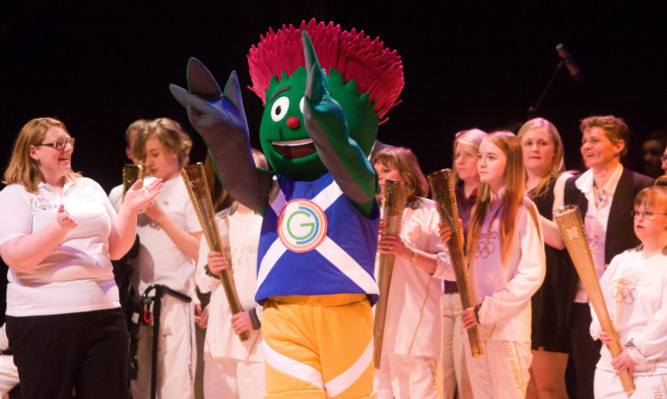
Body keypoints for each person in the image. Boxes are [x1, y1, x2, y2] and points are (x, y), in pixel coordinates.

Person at [0, 117, 162, 399]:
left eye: (69, 142)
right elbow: (15, 256)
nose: (67, 149)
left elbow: (116, 250)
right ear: (33, 151)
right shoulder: (17, 194)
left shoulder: (88, 187)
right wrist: (58, 228)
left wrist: (130, 209)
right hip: (42, 320)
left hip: (104, 314)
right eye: (57, 144)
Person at [440, 131, 546, 399]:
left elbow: (532, 273)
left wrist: (488, 308)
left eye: (490, 157)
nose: (482, 163)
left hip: (506, 328)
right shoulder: (481, 211)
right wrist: (453, 248)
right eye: (480, 156)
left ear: (510, 163)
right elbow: (468, 270)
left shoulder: (522, 208)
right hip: (475, 325)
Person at [562, 115, 654, 399]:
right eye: (584, 141)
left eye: (595, 140)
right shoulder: (574, 186)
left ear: (618, 146)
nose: (586, 146)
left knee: (625, 376)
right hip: (582, 297)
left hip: (624, 298)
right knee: (586, 376)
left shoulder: (640, 185)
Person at [130, 117, 203, 399]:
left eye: (155, 154)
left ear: (175, 150)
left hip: (173, 301)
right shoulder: (139, 187)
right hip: (139, 302)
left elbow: (200, 251)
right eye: (144, 154)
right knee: (139, 385)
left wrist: (161, 217)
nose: (148, 161)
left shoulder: (191, 189)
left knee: (174, 388)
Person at [372, 147, 449, 399]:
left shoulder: (431, 211)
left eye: (386, 170)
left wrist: (408, 252)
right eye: (376, 171)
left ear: (406, 174)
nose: (379, 177)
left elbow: (454, 269)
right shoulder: (371, 214)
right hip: (378, 331)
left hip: (416, 330)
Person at [194, 149, 267, 399]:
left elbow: (286, 285)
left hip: (258, 345)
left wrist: (257, 317)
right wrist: (211, 271)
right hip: (219, 342)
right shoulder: (217, 222)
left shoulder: (272, 224)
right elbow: (202, 284)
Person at [589, 184, 667, 398]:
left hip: (652, 369)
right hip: (611, 364)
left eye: (648, 213)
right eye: (637, 212)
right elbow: (598, 298)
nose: (639, 218)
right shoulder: (622, 260)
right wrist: (600, 325)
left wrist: (636, 353)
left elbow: (664, 320)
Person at [517, 118, 573, 399]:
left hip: (549, 290)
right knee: (524, 387)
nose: (535, 148)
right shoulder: (511, 186)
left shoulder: (562, 183)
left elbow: (562, 240)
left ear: (555, 150)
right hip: (518, 291)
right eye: (528, 143)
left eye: (542, 142)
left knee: (548, 387)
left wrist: (525, 207)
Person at [443, 128, 487, 399]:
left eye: (468, 155)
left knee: (468, 375)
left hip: (470, 296)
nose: (460, 161)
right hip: (442, 293)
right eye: (457, 154)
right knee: (441, 374)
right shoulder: (447, 197)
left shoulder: (491, 199)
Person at [108, 119, 149, 212]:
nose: (144, 153)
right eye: (138, 147)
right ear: (129, 152)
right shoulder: (116, 194)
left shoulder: (171, 187)